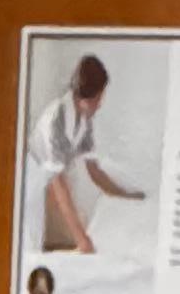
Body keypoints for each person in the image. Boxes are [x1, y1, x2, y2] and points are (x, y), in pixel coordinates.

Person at [28, 53, 144, 255]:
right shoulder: (57, 118)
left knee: (35, 242)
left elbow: (94, 171)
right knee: (28, 241)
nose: (100, 104)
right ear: (89, 96)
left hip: (44, 179)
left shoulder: (84, 122)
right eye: (100, 97)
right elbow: (59, 185)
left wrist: (125, 195)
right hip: (28, 178)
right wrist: (82, 239)